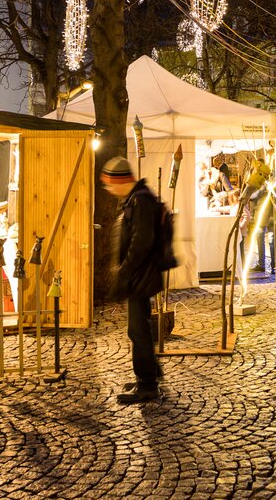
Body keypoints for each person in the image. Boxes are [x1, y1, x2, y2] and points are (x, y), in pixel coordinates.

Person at [101, 156, 164, 405]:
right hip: (141, 274)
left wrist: (125, 271)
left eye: (109, 184)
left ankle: (147, 385)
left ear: (119, 181)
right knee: (139, 327)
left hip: (140, 275)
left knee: (137, 330)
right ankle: (152, 372)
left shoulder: (140, 200)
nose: (107, 189)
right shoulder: (137, 198)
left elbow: (141, 241)